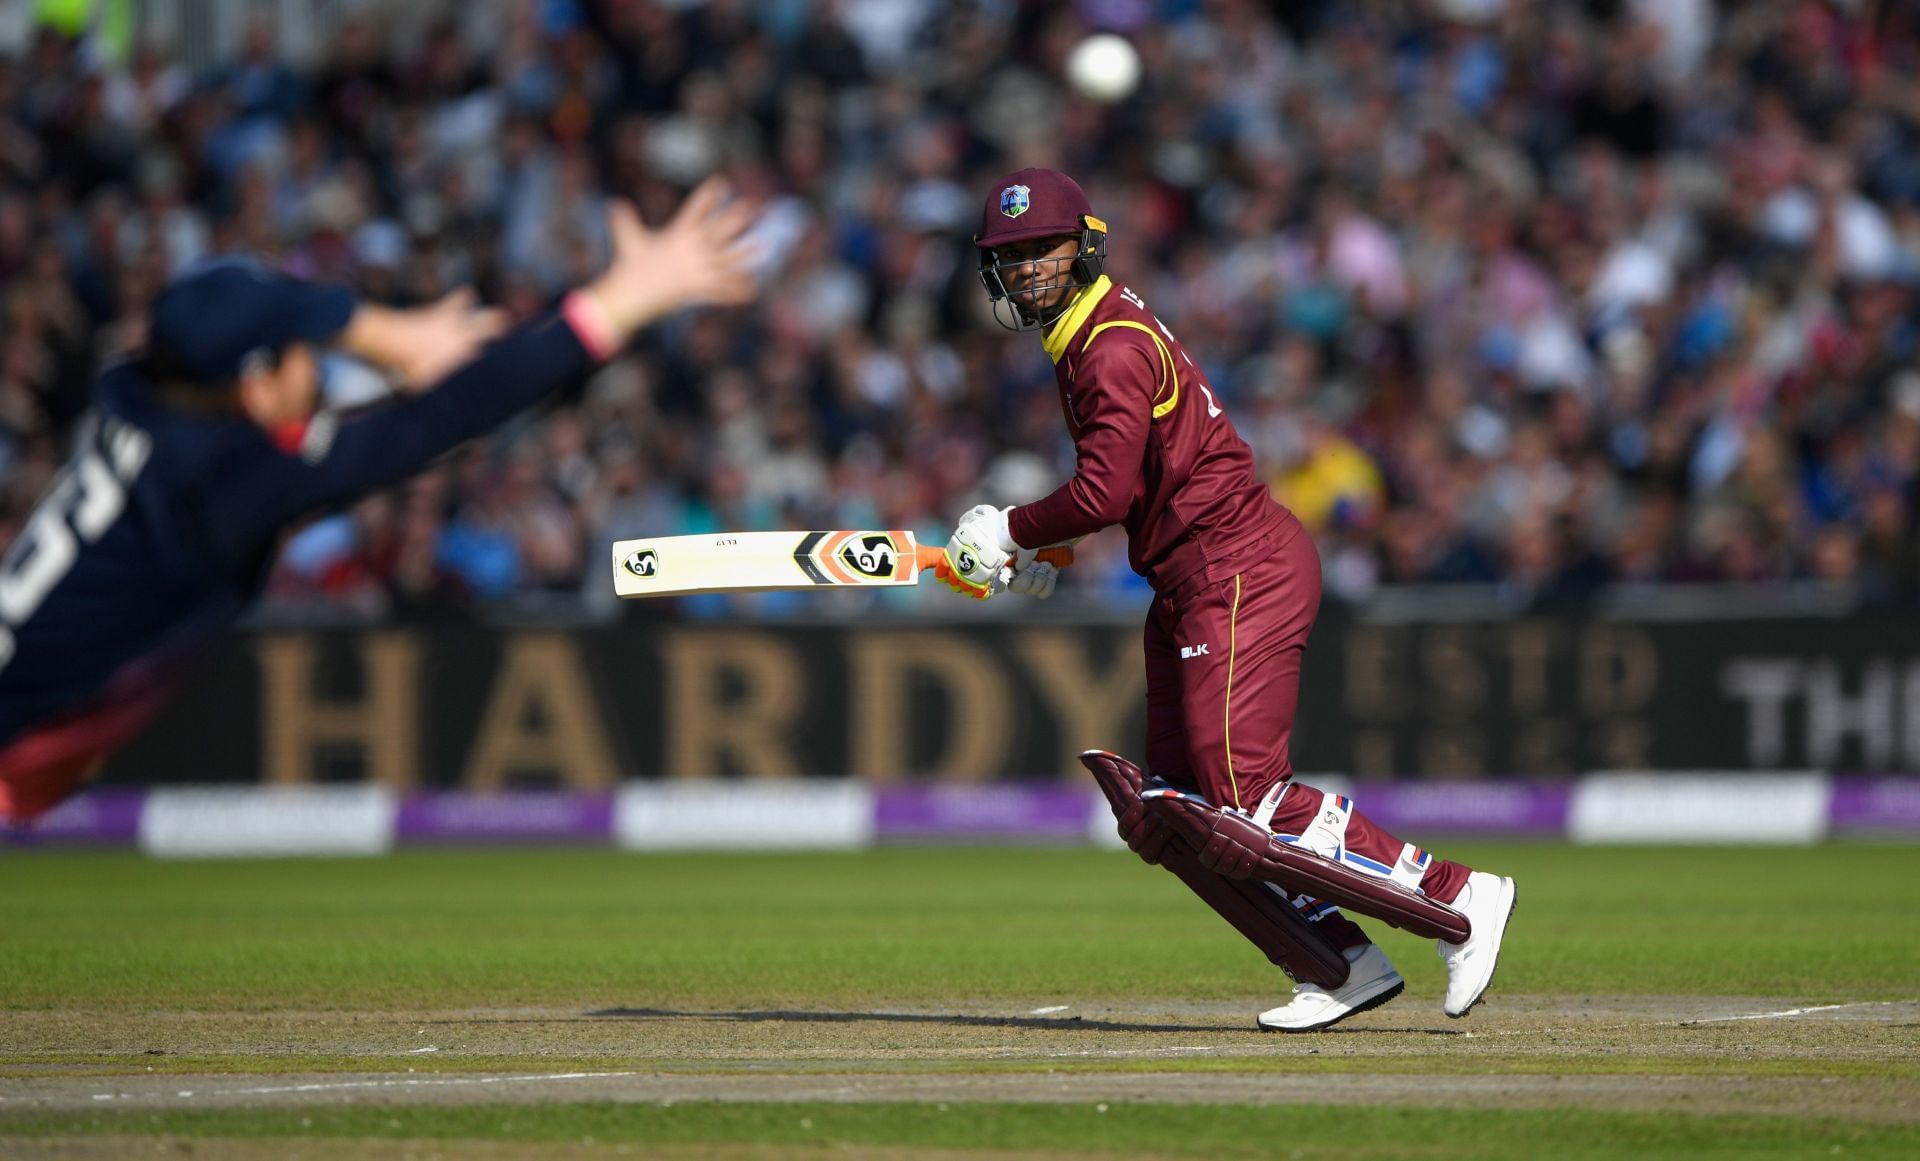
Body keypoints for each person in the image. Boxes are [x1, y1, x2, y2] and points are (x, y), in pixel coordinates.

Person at [941, 168, 1517, 1031]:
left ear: (1084, 243)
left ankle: (1461, 892)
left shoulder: (1109, 345)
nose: (1024, 269)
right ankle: (1336, 961)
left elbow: (1100, 493)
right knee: (1170, 814)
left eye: (1039, 249)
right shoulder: (1084, 331)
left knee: (1243, 794)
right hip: (1188, 578)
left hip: (1237, 568)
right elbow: (1135, 487)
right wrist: (1044, 550)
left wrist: (1013, 530)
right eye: (1009, 256)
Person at [0, 179, 758, 825]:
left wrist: (391, 336)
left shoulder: (137, 392)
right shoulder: (225, 487)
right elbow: (437, 422)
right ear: (257, 383)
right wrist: (621, 301)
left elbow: (250, 322)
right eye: (304, 352)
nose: (319, 364)